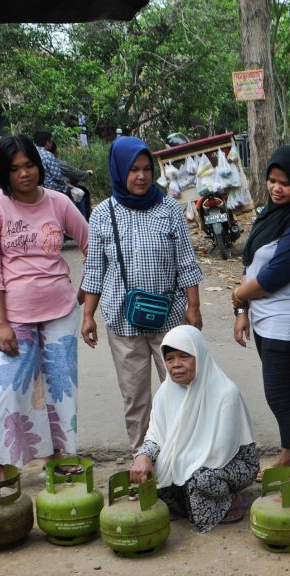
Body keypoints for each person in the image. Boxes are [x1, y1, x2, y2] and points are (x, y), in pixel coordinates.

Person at [0, 134, 89, 479]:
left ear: (39, 167)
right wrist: (1, 323)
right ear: (3, 173)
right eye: (14, 168)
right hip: (12, 316)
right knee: (11, 391)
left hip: (59, 311)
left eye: (29, 165)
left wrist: (86, 289)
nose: (24, 173)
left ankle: (60, 454)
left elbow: (92, 244)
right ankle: (7, 465)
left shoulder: (58, 202)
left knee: (60, 386)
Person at [80, 136, 203, 451]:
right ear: (120, 171)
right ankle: (143, 456)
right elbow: (94, 270)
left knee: (180, 388)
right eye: (133, 169)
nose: (141, 176)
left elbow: (186, 263)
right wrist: (88, 316)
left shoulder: (169, 209)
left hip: (171, 318)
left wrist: (194, 307)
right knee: (135, 397)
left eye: (147, 169)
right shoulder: (103, 214)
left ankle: (182, 454)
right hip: (124, 322)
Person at [232, 145, 290, 496]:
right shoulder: (269, 214)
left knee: (280, 399)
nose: (276, 188)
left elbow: (275, 275)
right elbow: (250, 265)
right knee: (285, 395)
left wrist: (240, 296)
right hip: (263, 318)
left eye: (285, 182)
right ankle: (289, 454)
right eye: (272, 180)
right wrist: (241, 311)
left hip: (284, 321)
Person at [129, 326, 259, 532]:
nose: (176, 365)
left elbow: (219, 452)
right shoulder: (166, 392)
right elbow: (156, 435)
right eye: (170, 359)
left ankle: (230, 500)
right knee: (147, 469)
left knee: (202, 479)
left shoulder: (226, 394)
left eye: (184, 357)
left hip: (231, 463)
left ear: (200, 356)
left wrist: (175, 463)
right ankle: (188, 500)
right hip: (191, 459)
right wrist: (143, 456)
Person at [33, 130, 94, 218]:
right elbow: (57, 176)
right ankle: (82, 220)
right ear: (47, 142)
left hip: (38, 189)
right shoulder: (48, 155)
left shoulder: (31, 154)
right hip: (53, 188)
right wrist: (67, 185)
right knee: (80, 194)